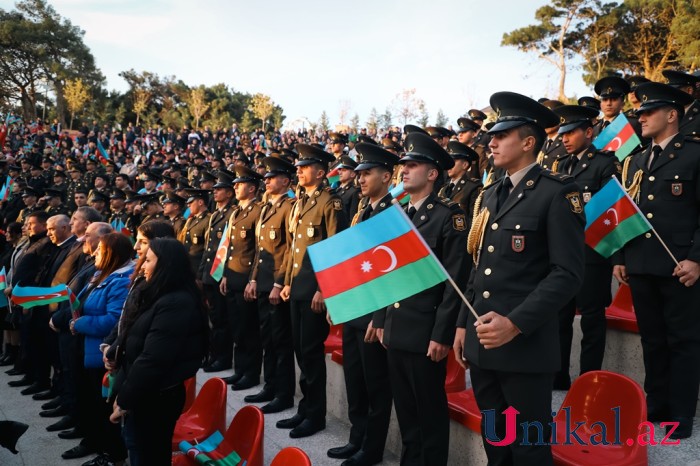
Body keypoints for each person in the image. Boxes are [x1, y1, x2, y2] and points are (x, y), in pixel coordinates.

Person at [454, 92, 585, 465]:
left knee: (528, 448)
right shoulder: (491, 194)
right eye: (491, 135)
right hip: (482, 344)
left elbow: (568, 274)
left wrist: (515, 324)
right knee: (496, 445)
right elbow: (479, 267)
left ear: (528, 142)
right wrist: (464, 324)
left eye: (501, 136)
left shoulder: (558, 193)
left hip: (525, 347)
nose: (490, 142)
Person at [372, 132, 468, 466]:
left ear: (432, 173)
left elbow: (454, 281)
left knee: (429, 414)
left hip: (426, 332)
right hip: (398, 329)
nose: (404, 170)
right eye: (403, 165)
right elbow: (390, 273)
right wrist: (383, 320)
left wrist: (441, 334)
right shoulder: (401, 216)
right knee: (407, 413)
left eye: (413, 165)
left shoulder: (448, 215)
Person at [614, 82, 700, 439]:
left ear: (672, 115)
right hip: (642, 263)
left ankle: (680, 415)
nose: (641, 117)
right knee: (652, 339)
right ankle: (657, 405)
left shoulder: (695, 154)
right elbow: (626, 210)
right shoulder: (635, 158)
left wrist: (696, 259)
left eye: (649, 112)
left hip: (681, 267)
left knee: (682, 340)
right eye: (640, 113)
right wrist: (620, 255)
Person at [109, 238, 208, 466]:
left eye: (148, 260)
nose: (142, 265)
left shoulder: (176, 302)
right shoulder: (155, 293)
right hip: (143, 392)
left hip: (155, 397)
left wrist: (124, 400)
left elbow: (153, 359)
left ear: (166, 266)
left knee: (148, 454)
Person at [329, 143, 398, 466]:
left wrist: (380, 316)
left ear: (387, 176)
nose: (360, 179)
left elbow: (393, 272)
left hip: (374, 313)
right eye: (358, 174)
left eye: (367, 173)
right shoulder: (362, 212)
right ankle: (356, 439)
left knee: (375, 387)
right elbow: (353, 264)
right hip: (354, 308)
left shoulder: (393, 213)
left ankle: (371, 449)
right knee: (355, 382)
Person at [278, 143, 348, 438]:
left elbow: (335, 248)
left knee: (311, 353)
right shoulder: (302, 202)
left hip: (315, 292)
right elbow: (296, 250)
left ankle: (315, 415)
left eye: (304, 167)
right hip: (297, 287)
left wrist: (325, 288)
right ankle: (306, 407)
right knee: (300, 351)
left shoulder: (330, 203)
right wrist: (287, 283)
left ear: (320, 172)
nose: (298, 171)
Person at [551, 104, 620, 390]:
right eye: (562, 133)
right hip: (565, 254)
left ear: (589, 132)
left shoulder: (604, 163)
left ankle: (589, 379)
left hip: (593, 253)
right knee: (560, 317)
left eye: (571, 132)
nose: (564, 138)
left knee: (592, 320)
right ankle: (559, 375)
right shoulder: (561, 166)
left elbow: (612, 210)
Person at [64, 233, 134, 464]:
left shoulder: (121, 279)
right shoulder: (100, 273)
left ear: (112, 254)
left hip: (102, 353)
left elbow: (113, 319)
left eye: (101, 250)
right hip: (87, 348)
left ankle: (110, 454)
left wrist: (80, 323)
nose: (95, 253)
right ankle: (92, 442)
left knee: (102, 407)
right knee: (90, 403)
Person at [244, 156, 296, 413]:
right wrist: (253, 278)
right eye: (265, 177)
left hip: (276, 284)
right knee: (267, 339)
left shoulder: (289, 206)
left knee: (280, 341)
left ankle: (284, 393)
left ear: (285, 181)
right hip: (263, 283)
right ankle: (271, 385)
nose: (266, 180)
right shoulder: (265, 208)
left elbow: (290, 249)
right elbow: (259, 250)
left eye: (271, 177)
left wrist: (279, 283)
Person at [219, 166, 264, 391]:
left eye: (240, 184)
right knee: (237, 328)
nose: (235, 187)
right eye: (234, 184)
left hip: (247, 279)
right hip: (233, 277)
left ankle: (251, 373)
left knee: (249, 329)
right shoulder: (236, 212)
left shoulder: (258, 211)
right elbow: (230, 247)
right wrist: (225, 274)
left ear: (252, 187)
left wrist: (253, 279)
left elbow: (258, 249)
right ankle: (240, 371)